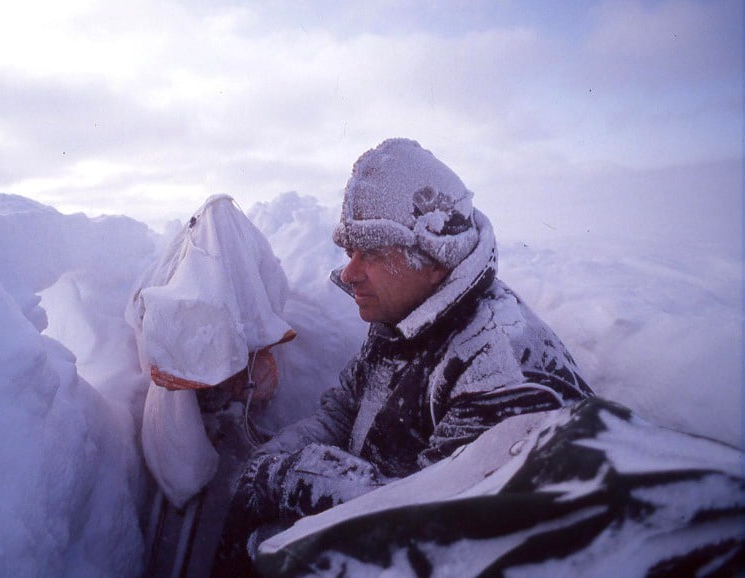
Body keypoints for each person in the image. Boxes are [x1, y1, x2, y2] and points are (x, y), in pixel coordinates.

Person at [212, 138, 593, 577]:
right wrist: (274, 460)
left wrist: (295, 478)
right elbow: (343, 411)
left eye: (371, 253)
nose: (351, 273)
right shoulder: (408, 314)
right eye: (349, 252)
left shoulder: (499, 369)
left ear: (434, 257)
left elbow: (435, 525)